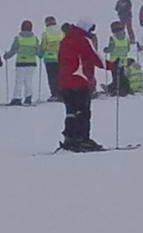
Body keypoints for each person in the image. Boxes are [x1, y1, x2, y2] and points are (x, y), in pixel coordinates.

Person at [58, 18, 106, 152]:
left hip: (65, 83)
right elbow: (95, 58)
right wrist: (112, 65)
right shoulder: (83, 40)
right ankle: (82, 139)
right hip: (80, 81)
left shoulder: (65, 40)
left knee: (71, 112)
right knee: (83, 112)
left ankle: (70, 138)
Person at [3, 20, 42, 106]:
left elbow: (13, 50)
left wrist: (6, 56)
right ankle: (28, 98)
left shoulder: (18, 38)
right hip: (32, 63)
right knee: (28, 81)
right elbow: (38, 51)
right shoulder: (34, 38)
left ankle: (17, 98)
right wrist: (40, 55)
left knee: (19, 81)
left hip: (21, 62)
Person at [104, 21, 131, 97]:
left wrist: (106, 50)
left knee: (116, 77)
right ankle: (124, 90)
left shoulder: (113, 38)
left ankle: (116, 90)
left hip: (114, 62)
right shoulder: (126, 38)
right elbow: (128, 48)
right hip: (123, 61)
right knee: (122, 77)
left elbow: (111, 48)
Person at [40, 16, 64, 102]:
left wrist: (40, 54)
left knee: (52, 77)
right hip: (61, 57)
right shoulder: (61, 31)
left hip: (49, 58)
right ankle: (62, 93)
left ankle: (54, 94)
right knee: (60, 76)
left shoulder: (46, 33)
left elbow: (43, 46)